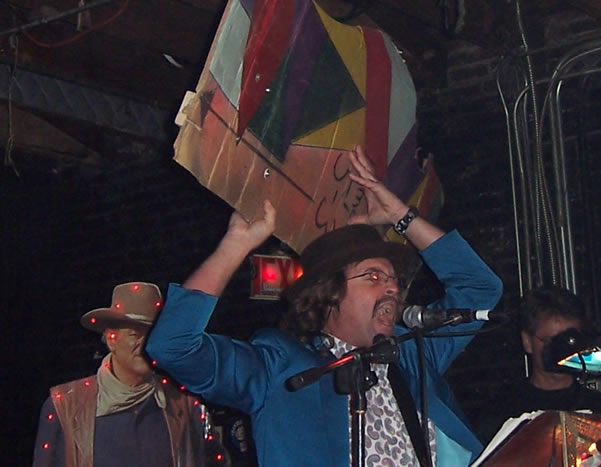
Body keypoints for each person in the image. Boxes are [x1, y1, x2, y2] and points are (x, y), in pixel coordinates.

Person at [146, 145, 503, 466]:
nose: (393, 287)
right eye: (374, 277)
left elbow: (480, 290)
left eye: (394, 280)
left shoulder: (411, 356)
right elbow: (174, 346)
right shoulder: (282, 370)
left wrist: (399, 215)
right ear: (330, 293)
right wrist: (234, 246)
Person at [475, 286, 601, 466]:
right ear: (527, 341)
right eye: (551, 341)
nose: (561, 351)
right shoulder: (501, 412)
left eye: (569, 341)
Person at [32, 282, 227, 467]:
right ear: (112, 339)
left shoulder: (185, 404)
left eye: (154, 335)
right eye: (135, 334)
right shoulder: (66, 405)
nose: (146, 344)